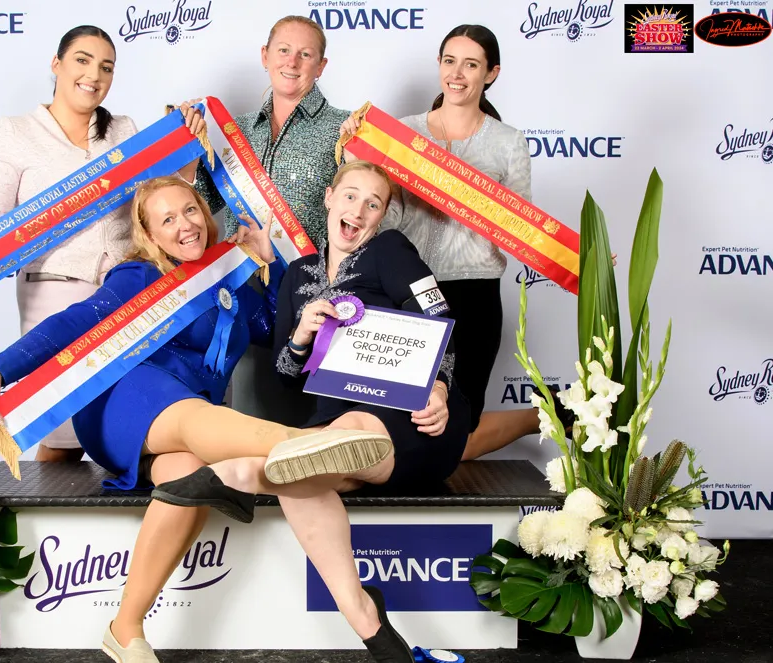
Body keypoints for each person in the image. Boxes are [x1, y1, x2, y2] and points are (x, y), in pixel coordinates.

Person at [0, 175, 393, 663]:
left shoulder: (229, 276)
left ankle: (125, 628)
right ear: (150, 235)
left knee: (186, 478)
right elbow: (69, 324)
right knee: (189, 417)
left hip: (191, 415)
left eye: (190, 211)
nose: (186, 225)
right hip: (127, 397)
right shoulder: (136, 276)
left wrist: (270, 262)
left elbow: (273, 327)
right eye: (168, 219)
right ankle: (299, 443)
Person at [151, 161, 470, 663]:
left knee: (326, 445)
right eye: (350, 196)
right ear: (328, 198)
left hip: (410, 419)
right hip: (330, 428)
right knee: (302, 472)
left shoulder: (389, 251)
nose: (358, 210)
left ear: (383, 215)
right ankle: (367, 618)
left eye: (374, 203)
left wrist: (442, 387)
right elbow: (283, 371)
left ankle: (236, 474)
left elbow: (439, 317)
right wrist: (301, 335)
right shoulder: (297, 274)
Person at [0, 26, 204, 462]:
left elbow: (161, 203)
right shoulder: (16, 132)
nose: (93, 74)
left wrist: (186, 143)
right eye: (82, 60)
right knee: (60, 434)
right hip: (53, 290)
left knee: (131, 422)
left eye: (106, 67)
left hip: (128, 292)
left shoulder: (125, 130)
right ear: (57, 65)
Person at [340, 24, 578, 459]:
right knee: (398, 427)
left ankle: (537, 416)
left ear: (491, 74)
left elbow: (522, 228)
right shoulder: (400, 134)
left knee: (455, 436)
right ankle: (536, 415)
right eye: (450, 61)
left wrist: (583, 259)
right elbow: (386, 217)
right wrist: (359, 158)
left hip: (474, 294)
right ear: (439, 66)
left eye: (471, 64)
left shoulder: (509, 143)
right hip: (406, 293)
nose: (458, 73)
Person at [177, 14, 351, 427]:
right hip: (246, 289)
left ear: (321, 65)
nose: (293, 62)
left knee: (309, 425)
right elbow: (197, 205)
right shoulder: (234, 133)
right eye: (284, 51)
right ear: (265, 56)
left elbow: (363, 211)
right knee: (252, 416)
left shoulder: (344, 130)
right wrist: (185, 148)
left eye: (306, 54)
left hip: (316, 291)